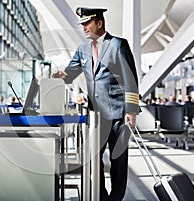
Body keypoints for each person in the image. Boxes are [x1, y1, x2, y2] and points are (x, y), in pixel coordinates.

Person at [53, 7, 139, 201]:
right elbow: (71, 73)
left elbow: (131, 79)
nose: (83, 28)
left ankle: (116, 198)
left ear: (99, 23)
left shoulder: (117, 44)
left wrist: (131, 111)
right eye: (82, 24)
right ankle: (101, 196)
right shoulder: (82, 49)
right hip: (95, 116)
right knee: (92, 160)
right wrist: (61, 76)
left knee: (118, 161)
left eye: (87, 23)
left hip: (118, 114)